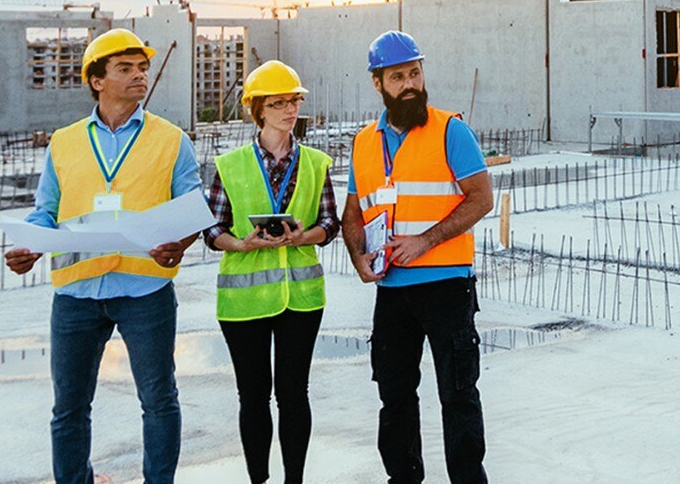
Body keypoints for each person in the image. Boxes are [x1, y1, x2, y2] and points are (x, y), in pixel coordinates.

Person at [3, 28, 201, 484]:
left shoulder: (172, 140)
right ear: (97, 79)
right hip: (76, 290)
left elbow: (191, 210)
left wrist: (180, 245)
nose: (140, 76)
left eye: (142, 68)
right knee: (68, 407)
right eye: (126, 69)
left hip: (144, 287)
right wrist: (29, 247)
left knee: (158, 399)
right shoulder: (65, 141)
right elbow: (45, 210)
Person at [341, 30, 493, 483]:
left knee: (458, 394)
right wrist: (358, 257)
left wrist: (424, 241)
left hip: (446, 285)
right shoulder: (364, 143)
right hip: (391, 291)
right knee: (395, 396)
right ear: (378, 83)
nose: (410, 84)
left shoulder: (451, 130)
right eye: (398, 77)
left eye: (415, 73)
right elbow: (353, 213)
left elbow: (481, 198)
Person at [204, 60, 339, 484]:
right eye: (278, 102)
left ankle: (294, 479)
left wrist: (303, 237)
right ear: (258, 110)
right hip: (243, 302)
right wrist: (242, 244)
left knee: (294, 395)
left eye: (294, 100)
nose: (289, 109)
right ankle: (259, 479)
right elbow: (212, 229)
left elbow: (330, 223)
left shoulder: (316, 163)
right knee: (254, 397)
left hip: (300, 299)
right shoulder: (230, 165)